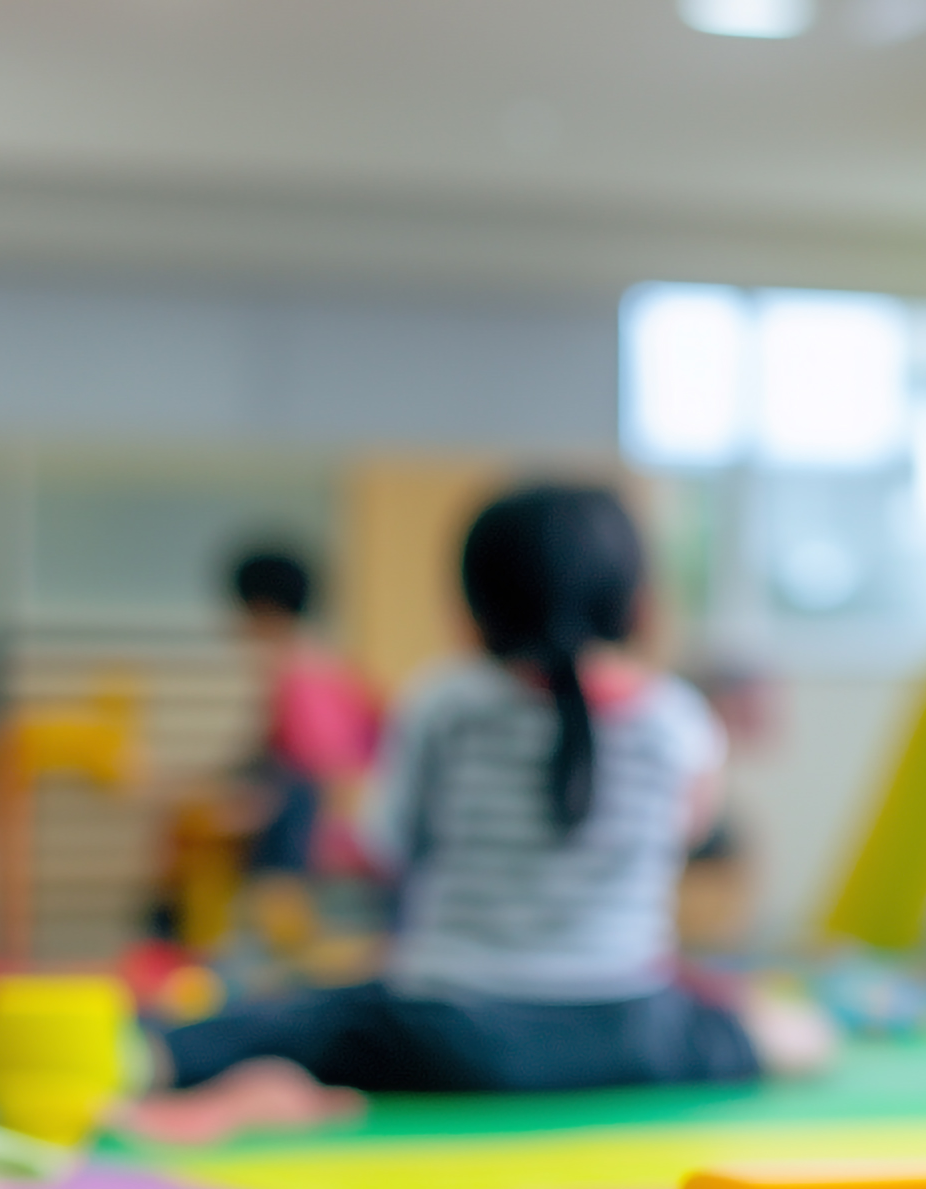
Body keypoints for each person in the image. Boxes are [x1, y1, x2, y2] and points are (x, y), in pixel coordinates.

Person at [133, 485, 782, 1137]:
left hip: (456, 1032)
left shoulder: (446, 704)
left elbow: (386, 844)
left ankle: (192, 1072)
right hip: (626, 1030)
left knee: (275, 1024)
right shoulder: (677, 719)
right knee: (779, 1032)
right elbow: (687, 831)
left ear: (473, 607)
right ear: (638, 603)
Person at [217, 548, 380, 947]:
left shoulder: (304, 673)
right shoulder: (312, 665)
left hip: (318, 848)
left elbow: (324, 773)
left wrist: (252, 809)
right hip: (318, 839)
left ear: (262, 609)